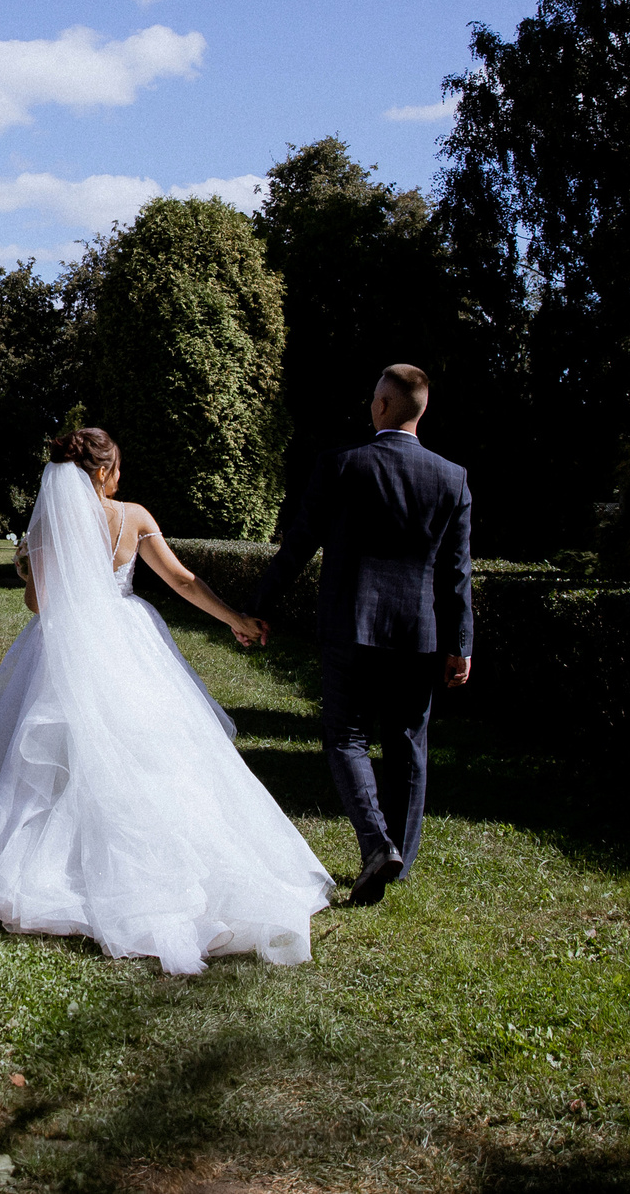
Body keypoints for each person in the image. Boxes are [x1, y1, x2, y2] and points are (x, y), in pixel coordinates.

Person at [0, 428, 334, 974]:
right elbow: (183, 581)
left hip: (63, 646)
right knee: (148, 755)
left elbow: (38, 604)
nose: (121, 476)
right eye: (117, 468)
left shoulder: (49, 524)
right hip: (127, 643)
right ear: (104, 472)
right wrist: (235, 618)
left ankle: (44, 869)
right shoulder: (132, 517)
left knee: (53, 759)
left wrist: (28, 567)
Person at [245, 363, 473, 907]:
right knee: (407, 744)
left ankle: (376, 843)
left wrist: (255, 607)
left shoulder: (343, 465)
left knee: (346, 736)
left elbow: (299, 543)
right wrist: (460, 643)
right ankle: (400, 860)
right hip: (419, 633)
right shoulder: (452, 478)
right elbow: (457, 572)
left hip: (350, 626)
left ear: (382, 406)